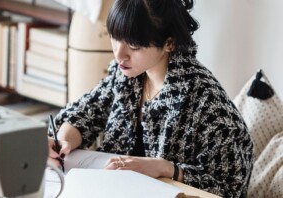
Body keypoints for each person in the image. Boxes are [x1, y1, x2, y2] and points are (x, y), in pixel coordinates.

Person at [48, 0, 253, 197]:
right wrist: (64, 140)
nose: (119, 55)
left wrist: (166, 168)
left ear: (169, 44)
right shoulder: (127, 75)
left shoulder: (207, 102)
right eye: (115, 37)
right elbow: (85, 112)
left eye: (134, 46)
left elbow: (230, 187)